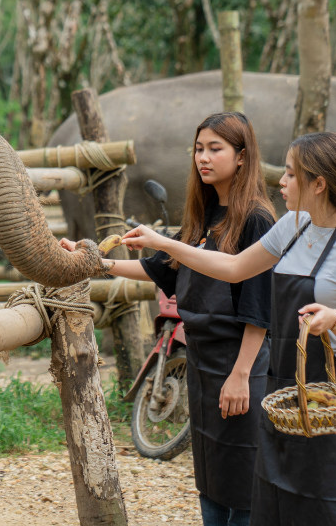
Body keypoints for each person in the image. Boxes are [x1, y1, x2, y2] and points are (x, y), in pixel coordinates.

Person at [123, 131, 336, 526]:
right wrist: (166, 245)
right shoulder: (293, 228)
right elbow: (232, 268)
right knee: (273, 502)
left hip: (329, 393)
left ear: (318, 184)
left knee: (323, 505)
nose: (281, 181)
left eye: (291, 174)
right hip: (279, 384)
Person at [61, 112, 274, 525]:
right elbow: (161, 267)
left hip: (238, 360)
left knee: (244, 470)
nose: (203, 158)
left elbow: (259, 306)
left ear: (242, 156)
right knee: (211, 469)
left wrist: (242, 374)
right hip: (201, 359)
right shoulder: (204, 214)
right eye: (198, 149)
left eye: (215, 149)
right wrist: (95, 262)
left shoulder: (257, 219)